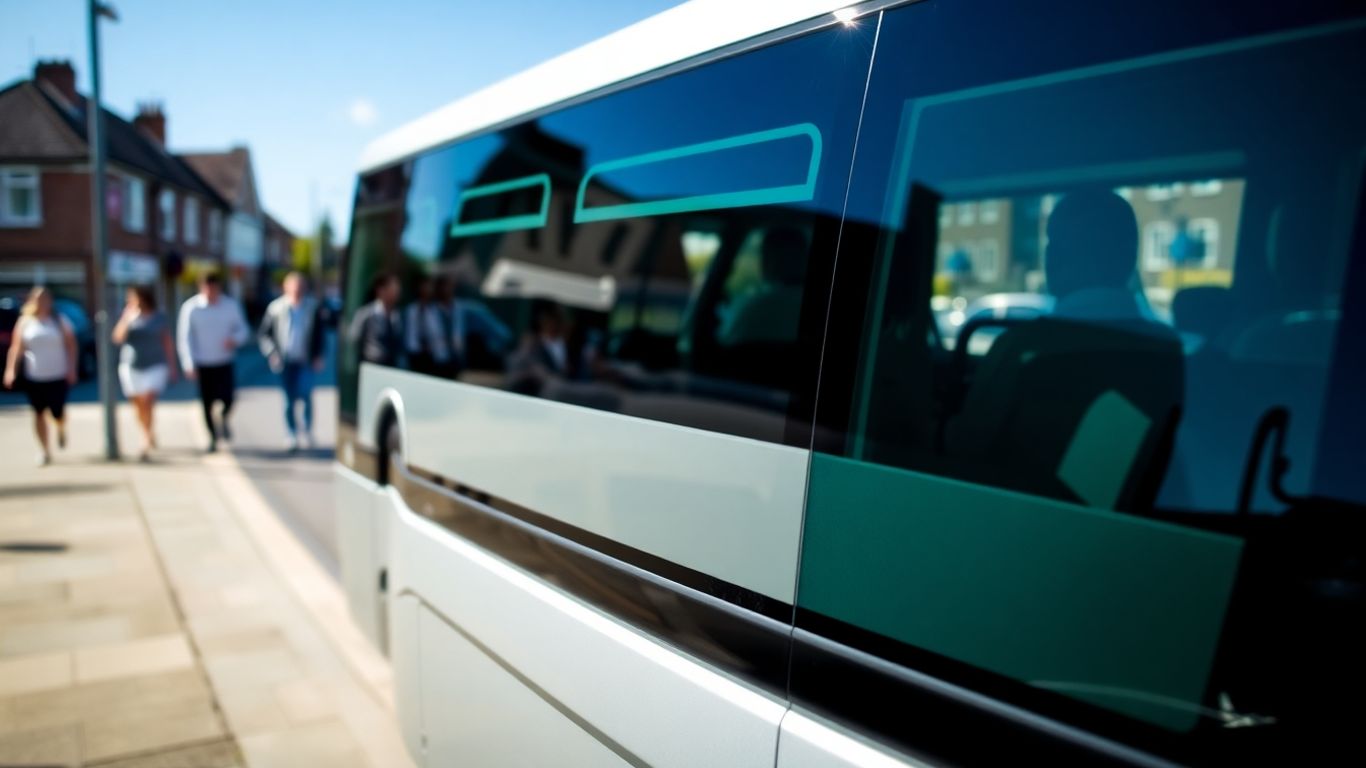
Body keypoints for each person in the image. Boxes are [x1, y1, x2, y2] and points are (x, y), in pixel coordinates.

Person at [2, 287, 77, 465]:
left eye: (45, 299)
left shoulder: (59, 321)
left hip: (57, 374)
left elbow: (71, 345)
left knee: (57, 411)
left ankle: (60, 426)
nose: (42, 302)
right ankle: (44, 450)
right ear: (31, 301)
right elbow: (16, 348)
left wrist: (71, 368)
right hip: (35, 375)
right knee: (38, 413)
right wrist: (10, 370)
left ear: (50, 301)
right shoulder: (25, 322)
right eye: (38, 299)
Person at [177, 272, 249, 452]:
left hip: (224, 360)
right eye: (206, 288)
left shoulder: (230, 306)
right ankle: (212, 437)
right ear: (201, 288)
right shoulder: (191, 308)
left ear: (219, 288)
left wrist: (234, 339)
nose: (210, 292)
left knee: (229, 398)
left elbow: (243, 330)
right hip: (203, 362)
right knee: (206, 402)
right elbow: (185, 338)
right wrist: (188, 363)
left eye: (213, 288)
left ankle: (223, 418)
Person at [258, 272, 326, 451]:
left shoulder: (312, 307)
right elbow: (264, 335)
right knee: (288, 399)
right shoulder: (276, 308)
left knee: (305, 395)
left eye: (300, 288)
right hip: (284, 361)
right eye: (294, 288)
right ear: (286, 288)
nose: (297, 291)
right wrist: (272, 353)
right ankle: (291, 434)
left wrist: (319, 355)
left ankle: (307, 430)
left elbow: (320, 334)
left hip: (305, 360)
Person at [112, 285, 176, 461]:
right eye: (130, 298)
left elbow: (166, 341)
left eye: (135, 297)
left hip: (155, 364)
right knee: (138, 404)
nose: (133, 301)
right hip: (131, 365)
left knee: (147, 401)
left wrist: (172, 366)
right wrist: (127, 318)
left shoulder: (158, 317)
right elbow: (117, 338)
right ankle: (148, 431)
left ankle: (145, 440)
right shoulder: (128, 316)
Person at [348, 272, 404, 367]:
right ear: (381, 290)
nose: (397, 292)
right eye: (393, 288)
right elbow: (354, 336)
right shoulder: (366, 313)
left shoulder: (396, 315)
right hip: (370, 365)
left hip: (389, 367)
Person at [403, 276, 451, 376]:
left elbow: (440, 334)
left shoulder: (435, 311)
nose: (428, 289)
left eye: (430, 287)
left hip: (433, 357)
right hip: (414, 356)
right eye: (425, 286)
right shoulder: (410, 310)